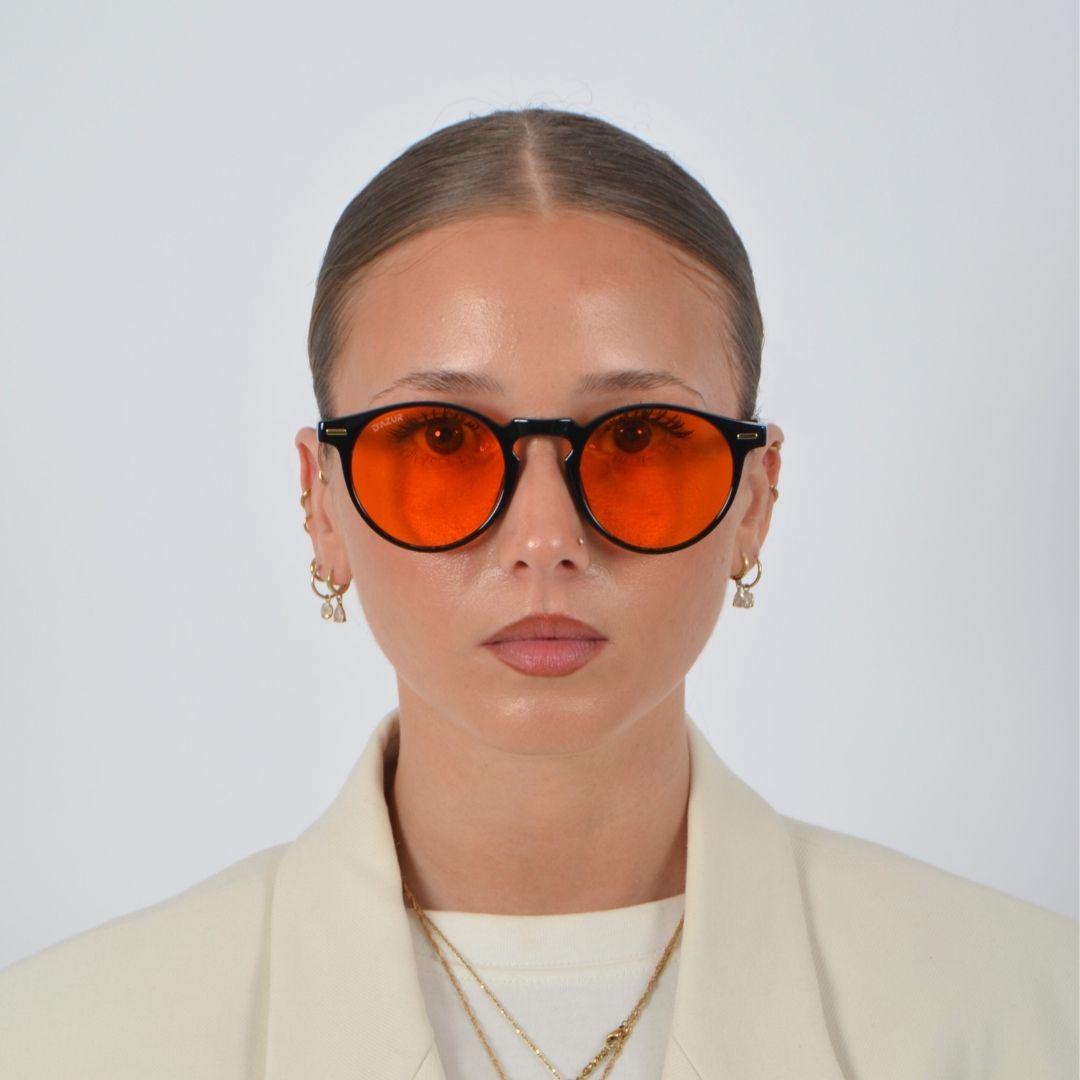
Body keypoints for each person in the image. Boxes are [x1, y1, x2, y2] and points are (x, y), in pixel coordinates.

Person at [0, 107, 1075, 1079]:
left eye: (641, 436)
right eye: (440, 438)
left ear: (754, 499)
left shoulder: (1031, 1017)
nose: (546, 540)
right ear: (321, 503)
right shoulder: (63, 1042)